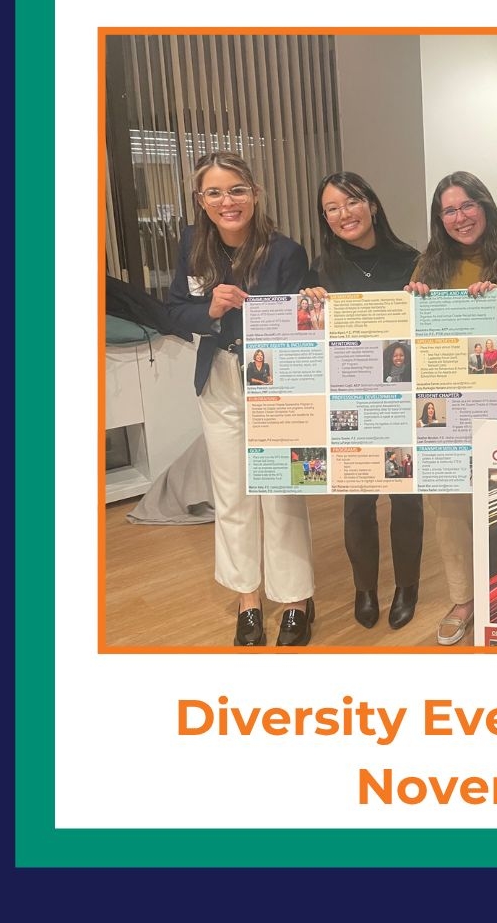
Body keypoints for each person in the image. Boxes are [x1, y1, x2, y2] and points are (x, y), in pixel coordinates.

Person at [166, 152, 315, 647]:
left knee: (281, 491)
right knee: (231, 493)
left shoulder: (286, 252)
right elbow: (175, 309)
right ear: (200, 199)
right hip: (219, 379)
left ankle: (294, 599)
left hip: (275, 383)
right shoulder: (192, 244)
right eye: (214, 192)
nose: (226, 201)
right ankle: (247, 597)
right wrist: (208, 310)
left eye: (236, 190)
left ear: (255, 193)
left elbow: (300, 327)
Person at [407, 171, 497, 645]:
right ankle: (463, 600)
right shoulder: (427, 266)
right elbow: (409, 343)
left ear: (485, 207)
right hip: (440, 398)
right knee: (449, 506)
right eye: (449, 210)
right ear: (439, 219)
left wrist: (490, 310)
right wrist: (412, 305)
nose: (459, 217)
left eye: (467, 206)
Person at [301, 171, 424, 633]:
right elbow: (309, 342)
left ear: (371, 204)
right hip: (350, 405)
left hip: (401, 399)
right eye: (331, 208)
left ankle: (407, 586)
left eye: (351, 202)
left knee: (407, 499)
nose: (343, 214)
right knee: (357, 501)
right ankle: (365, 588)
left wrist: (425, 299)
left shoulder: (413, 261)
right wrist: (309, 305)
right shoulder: (322, 269)